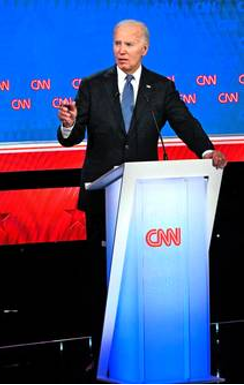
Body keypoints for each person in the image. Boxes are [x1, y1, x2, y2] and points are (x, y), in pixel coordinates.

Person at [56, 19, 227, 371]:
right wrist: (69, 124)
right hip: (104, 196)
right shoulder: (92, 86)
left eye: (129, 44)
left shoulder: (160, 88)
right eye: (117, 43)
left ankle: (146, 342)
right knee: (101, 276)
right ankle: (101, 353)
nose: (121, 50)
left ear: (144, 49)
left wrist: (207, 153)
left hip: (147, 199)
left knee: (143, 275)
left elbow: (185, 123)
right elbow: (71, 139)